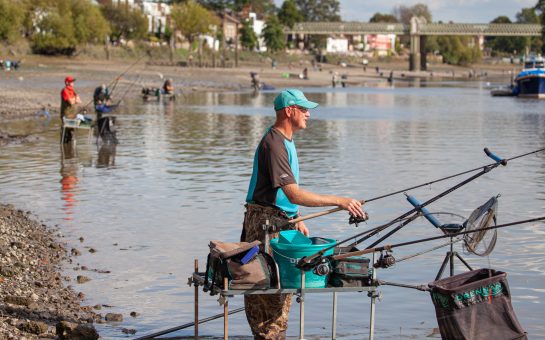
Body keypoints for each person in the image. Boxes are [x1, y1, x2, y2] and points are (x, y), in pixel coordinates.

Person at [242, 88, 367, 339]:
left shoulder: (285, 141)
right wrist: (341, 201)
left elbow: (285, 197)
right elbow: (293, 194)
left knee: (282, 294)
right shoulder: (274, 143)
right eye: (304, 109)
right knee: (269, 299)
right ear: (289, 111)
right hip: (265, 226)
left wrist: (295, 218)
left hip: (279, 222)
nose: (309, 114)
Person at [60, 76, 81, 143]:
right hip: (66, 115)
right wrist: (75, 99)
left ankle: (69, 150)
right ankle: (63, 146)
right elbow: (71, 102)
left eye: (73, 81)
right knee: (65, 133)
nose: (73, 83)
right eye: (71, 81)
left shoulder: (73, 90)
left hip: (73, 115)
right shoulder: (64, 90)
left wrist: (74, 99)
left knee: (72, 133)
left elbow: (79, 101)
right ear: (67, 82)